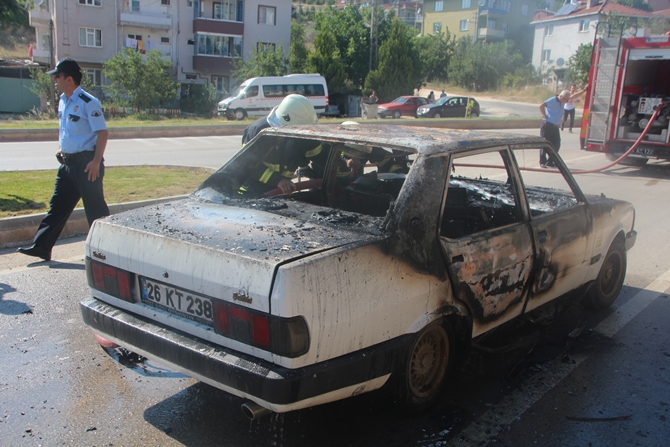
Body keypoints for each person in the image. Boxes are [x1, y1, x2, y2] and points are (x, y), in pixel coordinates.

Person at [17, 58, 109, 262]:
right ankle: (41, 246)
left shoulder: (88, 102)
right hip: (67, 166)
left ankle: (107, 251)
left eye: (57, 77)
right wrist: (61, 149)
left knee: (96, 211)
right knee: (57, 207)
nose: (55, 80)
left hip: (87, 165)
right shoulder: (63, 100)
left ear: (69, 79)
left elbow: (102, 133)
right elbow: (66, 130)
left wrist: (95, 162)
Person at [240, 94, 320, 195]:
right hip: (250, 193)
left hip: (279, 194)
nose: (303, 133)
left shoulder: (303, 132)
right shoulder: (257, 131)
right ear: (286, 120)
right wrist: (278, 180)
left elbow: (321, 156)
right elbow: (247, 165)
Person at [539, 87, 586, 167]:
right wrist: (544, 115)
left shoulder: (563, 101)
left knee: (556, 144)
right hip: (547, 125)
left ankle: (550, 161)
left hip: (555, 126)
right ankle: (542, 162)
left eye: (567, 100)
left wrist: (584, 90)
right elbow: (541, 106)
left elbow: (574, 96)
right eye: (565, 100)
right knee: (544, 143)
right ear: (560, 96)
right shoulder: (553, 100)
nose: (566, 101)